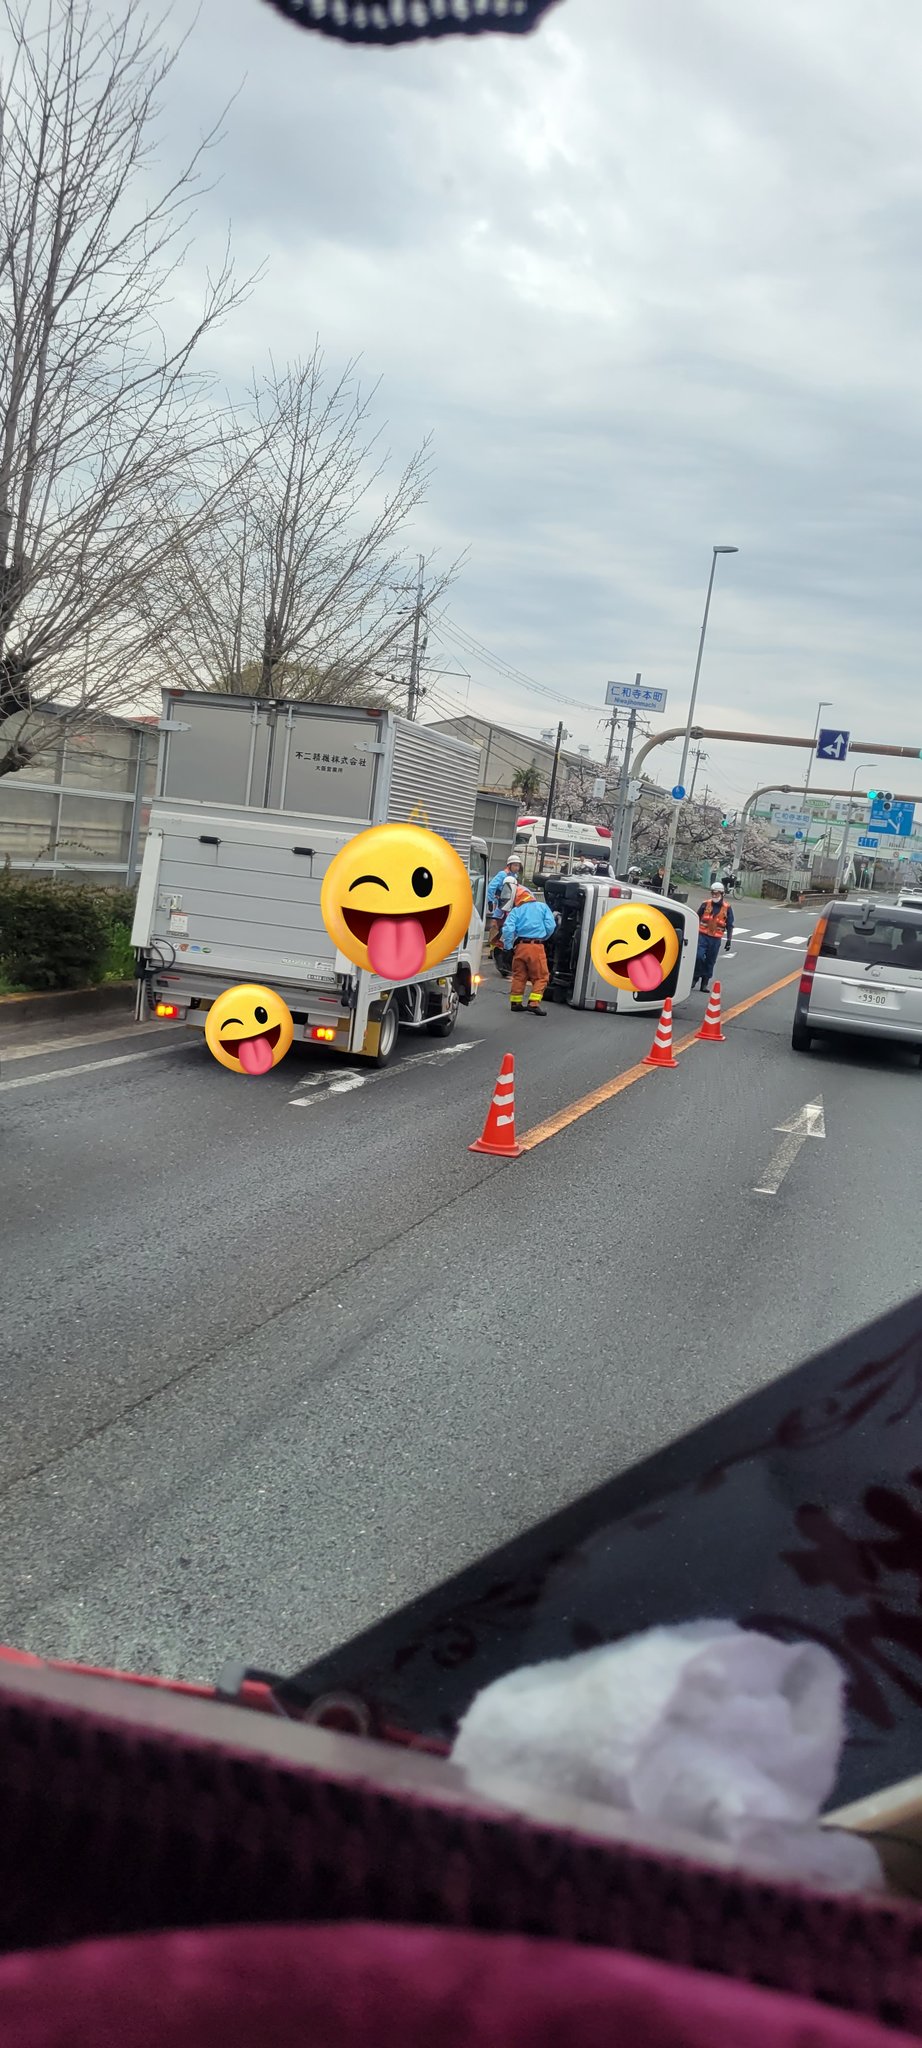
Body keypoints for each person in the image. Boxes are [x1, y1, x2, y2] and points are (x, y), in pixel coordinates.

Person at [501, 884, 557, 1015]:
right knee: (541, 977)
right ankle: (533, 1003)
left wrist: (508, 947)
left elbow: (508, 929)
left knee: (519, 976)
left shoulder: (516, 910)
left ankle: (515, 1003)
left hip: (520, 947)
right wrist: (543, 937)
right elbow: (551, 926)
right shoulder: (542, 907)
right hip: (536, 946)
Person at [692, 880, 734, 993]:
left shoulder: (727, 908)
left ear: (722, 894)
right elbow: (696, 917)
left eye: (717, 893)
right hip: (702, 936)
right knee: (698, 957)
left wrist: (729, 940)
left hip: (715, 939)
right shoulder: (705, 904)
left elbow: (730, 925)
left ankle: (704, 983)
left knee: (710, 961)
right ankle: (695, 977)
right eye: (713, 893)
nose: (714, 895)